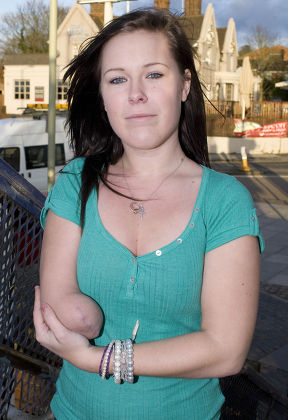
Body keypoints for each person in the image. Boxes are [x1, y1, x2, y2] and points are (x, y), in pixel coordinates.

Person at [33, 8, 264, 420]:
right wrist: (71, 314)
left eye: (154, 74)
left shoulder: (225, 201)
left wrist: (96, 358)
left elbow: (225, 351)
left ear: (184, 85)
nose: (135, 94)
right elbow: (59, 303)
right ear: (103, 97)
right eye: (117, 79)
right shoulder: (74, 184)